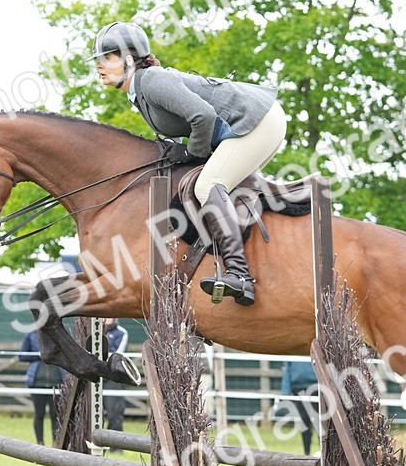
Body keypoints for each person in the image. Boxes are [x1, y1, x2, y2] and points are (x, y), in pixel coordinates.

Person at [92, 21, 287, 307]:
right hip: (247, 124)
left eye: (107, 58)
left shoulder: (152, 81)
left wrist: (191, 153)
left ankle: (239, 275)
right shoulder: (141, 90)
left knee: (208, 185)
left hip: (256, 121)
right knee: (216, 186)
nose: (99, 65)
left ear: (129, 59)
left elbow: (203, 117)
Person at [19, 329, 61, 445]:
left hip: (56, 381)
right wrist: (39, 355)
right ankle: (40, 442)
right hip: (37, 382)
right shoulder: (30, 335)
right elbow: (22, 356)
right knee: (39, 413)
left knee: (55, 414)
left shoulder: (58, 334)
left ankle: (56, 442)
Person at [281, 358, 319, 455]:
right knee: (304, 422)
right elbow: (287, 370)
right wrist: (285, 392)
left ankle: (324, 453)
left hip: (316, 388)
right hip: (298, 389)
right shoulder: (292, 352)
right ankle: (307, 453)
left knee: (319, 421)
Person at [104, 319, 129, 431]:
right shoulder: (94, 331)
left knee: (114, 411)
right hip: (97, 375)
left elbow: (117, 354)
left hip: (113, 378)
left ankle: (115, 447)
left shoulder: (121, 332)